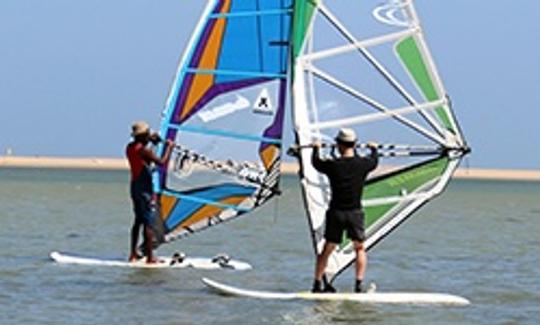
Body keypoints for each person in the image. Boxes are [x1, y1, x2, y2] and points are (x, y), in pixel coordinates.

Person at [311, 128, 378, 293]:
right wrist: (374, 149)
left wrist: (316, 148)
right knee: (360, 248)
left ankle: (317, 284)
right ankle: (358, 285)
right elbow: (374, 161)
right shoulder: (363, 164)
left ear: (339, 145)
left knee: (327, 249)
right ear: (354, 144)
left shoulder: (333, 165)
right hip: (355, 213)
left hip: (336, 213)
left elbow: (316, 163)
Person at [126, 121, 173, 263]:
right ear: (144, 135)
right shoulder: (144, 150)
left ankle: (133, 254)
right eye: (147, 134)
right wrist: (169, 147)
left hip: (135, 187)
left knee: (138, 221)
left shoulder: (130, 147)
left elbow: (145, 157)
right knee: (148, 223)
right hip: (145, 189)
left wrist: (153, 142)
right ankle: (150, 258)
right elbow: (161, 162)